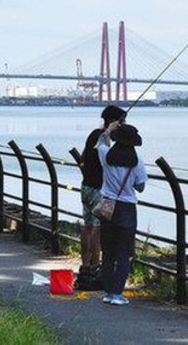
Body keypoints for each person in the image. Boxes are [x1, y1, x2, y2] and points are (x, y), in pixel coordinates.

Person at [76, 104, 127, 288]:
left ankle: (85, 267)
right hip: (98, 189)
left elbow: (82, 160)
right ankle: (96, 267)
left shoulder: (92, 134)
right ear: (114, 122)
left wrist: (87, 175)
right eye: (122, 122)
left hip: (85, 186)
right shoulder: (103, 139)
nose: (123, 125)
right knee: (98, 229)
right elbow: (104, 158)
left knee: (87, 226)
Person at [98, 121, 147, 306]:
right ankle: (117, 293)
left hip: (107, 206)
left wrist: (108, 130)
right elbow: (140, 186)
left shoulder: (106, 155)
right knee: (124, 253)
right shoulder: (137, 162)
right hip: (127, 207)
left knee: (108, 251)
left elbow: (100, 143)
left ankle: (108, 292)